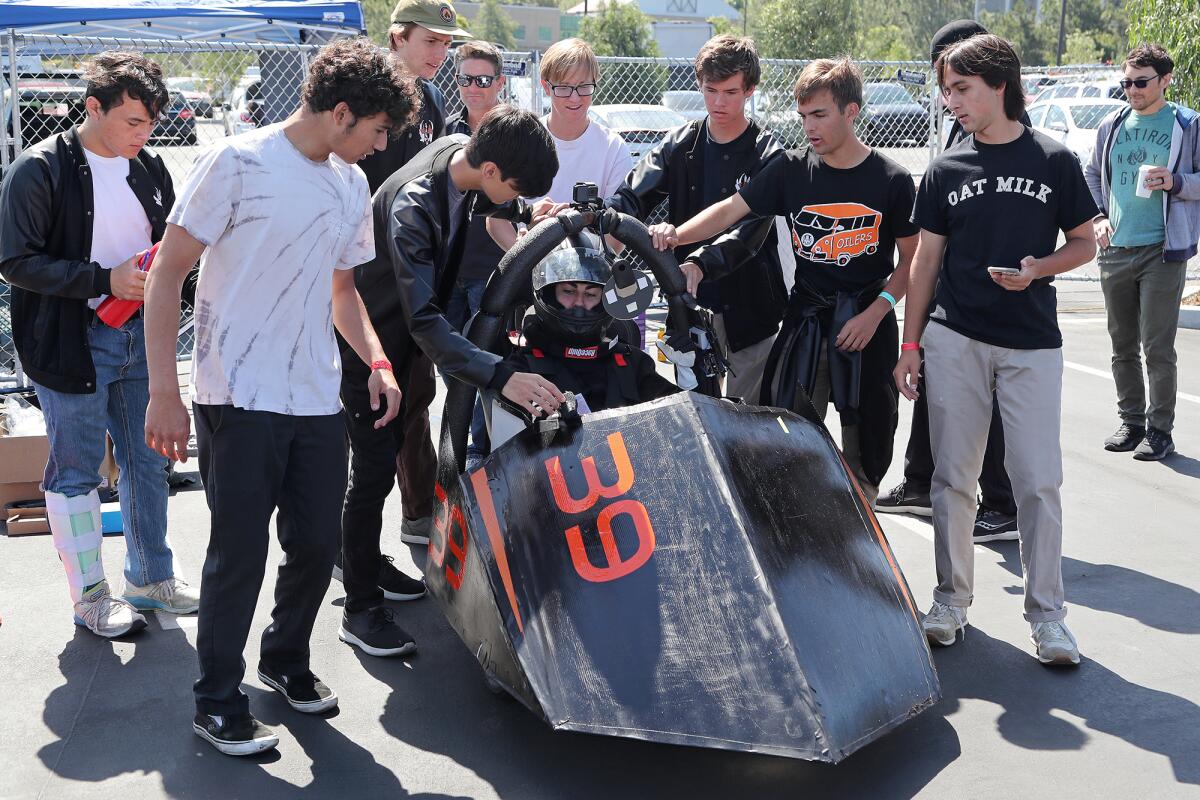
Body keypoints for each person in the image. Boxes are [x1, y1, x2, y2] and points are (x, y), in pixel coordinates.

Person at [142, 38, 416, 756]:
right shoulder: (237, 161)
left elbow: (342, 289)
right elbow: (168, 274)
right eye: (379, 130)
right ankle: (216, 700)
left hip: (317, 397)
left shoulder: (350, 184)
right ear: (343, 111)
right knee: (238, 553)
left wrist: (378, 360)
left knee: (315, 542)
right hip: (236, 392)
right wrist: (162, 393)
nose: (383, 144)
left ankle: (285, 659)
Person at [894, 34, 1098, 666]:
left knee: (1038, 481)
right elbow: (926, 262)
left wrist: (1039, 269)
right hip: (954, 338)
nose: (951, 101)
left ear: (998, 85)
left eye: (962, 88)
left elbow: (1085, 243)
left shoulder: (1055, 160)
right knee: (953, 479)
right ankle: (950, 603)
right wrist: (910, 343)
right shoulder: (946, 167)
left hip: (1032, 344)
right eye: (947, 90)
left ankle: (1050, 619)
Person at [337, 106, 563, 658]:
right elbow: (423, 319)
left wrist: (532, 211)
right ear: (489, 169)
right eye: (512, 189)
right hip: (368, 345)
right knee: (371, 467)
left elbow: (492, 203)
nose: (509, 202)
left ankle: (362, 562)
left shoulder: (463, 152)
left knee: (393, 447)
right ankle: (359, 605)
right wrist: (501, 376)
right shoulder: (414, 204)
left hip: (404, 341)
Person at [646, 57, 917, 506]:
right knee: (788, 436)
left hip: (867, 324)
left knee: (868, 441)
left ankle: (861, 534)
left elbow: (913, 260)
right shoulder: (792, 169)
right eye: (803, 116)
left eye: (820, 115)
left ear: (851, 111)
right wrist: (678, 234)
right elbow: (732, 209)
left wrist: (877, 311)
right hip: (806, 320)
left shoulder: (892, 179)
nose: (809, 127)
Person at [0, 52, 198, 638]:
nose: (144, 134)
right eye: (133, 122)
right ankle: (90, 595)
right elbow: (14, 261)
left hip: (141, 334)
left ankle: (151, 575)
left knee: (147, 459)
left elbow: (166, 246)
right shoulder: (40, 169)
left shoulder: (150, 167)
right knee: (76, 468)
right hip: (70, 341)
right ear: (93, 107)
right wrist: (101, 280)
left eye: (151, 124)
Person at [875, 17, 1020, 545]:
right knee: (931, 386)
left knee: (991, 399)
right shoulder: (954, 124)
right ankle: (918, 481)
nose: (950, 89)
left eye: (960, 79)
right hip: (946, 285)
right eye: (944, 80)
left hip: (990, 301)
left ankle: (1001, 503)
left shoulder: (1003, 130)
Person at [606, 34, 787, 399]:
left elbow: (750, 231)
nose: (718, 102)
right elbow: (630, 196)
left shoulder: (769, 152)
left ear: (750, 89)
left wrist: (699, 262)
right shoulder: (680, 143)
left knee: (749, 421)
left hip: (750, 304)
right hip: (687, 302)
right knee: (698, 412)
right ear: (699, 84)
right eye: (710, 90)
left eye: (731, 92)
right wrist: (604, 227)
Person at [356, 0, 470, 554]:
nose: (440, 53)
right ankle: (346, 546)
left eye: (448, 43)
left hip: (409, 270)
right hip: (354, 276)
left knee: (416, 395)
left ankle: (418, 516)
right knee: (358, 412)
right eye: (431, 41)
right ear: (397, 37)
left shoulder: (433, 100)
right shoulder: (361, 88)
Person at [1085, 43, 1200, 461]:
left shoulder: (1187, 124)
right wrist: (1098, 217)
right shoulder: (1112, 123)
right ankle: (1132, 420)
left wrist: (1176, 182)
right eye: (1127, 82)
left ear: (1165, 80)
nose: (1132, 89)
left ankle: (1160, 430)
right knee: (1122, 344)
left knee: (1157, 345)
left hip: (1162, 250)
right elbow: (1092, 173)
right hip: (1115, 248)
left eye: (1141, 82)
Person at [499, 238, 678, 416]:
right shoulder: (523, 369)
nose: (579, 303)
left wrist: (688, 382)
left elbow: (686, 424)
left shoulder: (632, 363)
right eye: (568, 291)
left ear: (605, 299)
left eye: (591, 294)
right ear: (549, 294)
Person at [444, 40, 508, 465]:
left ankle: (483, 455)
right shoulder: (446, 131)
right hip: (448, 271)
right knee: (453, 372)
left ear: (500, 83)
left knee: (490, 369)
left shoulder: (512, 132)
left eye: (483, 79)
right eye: (466, 78)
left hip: (494, 273)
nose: (474, 88)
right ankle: (457, 457)